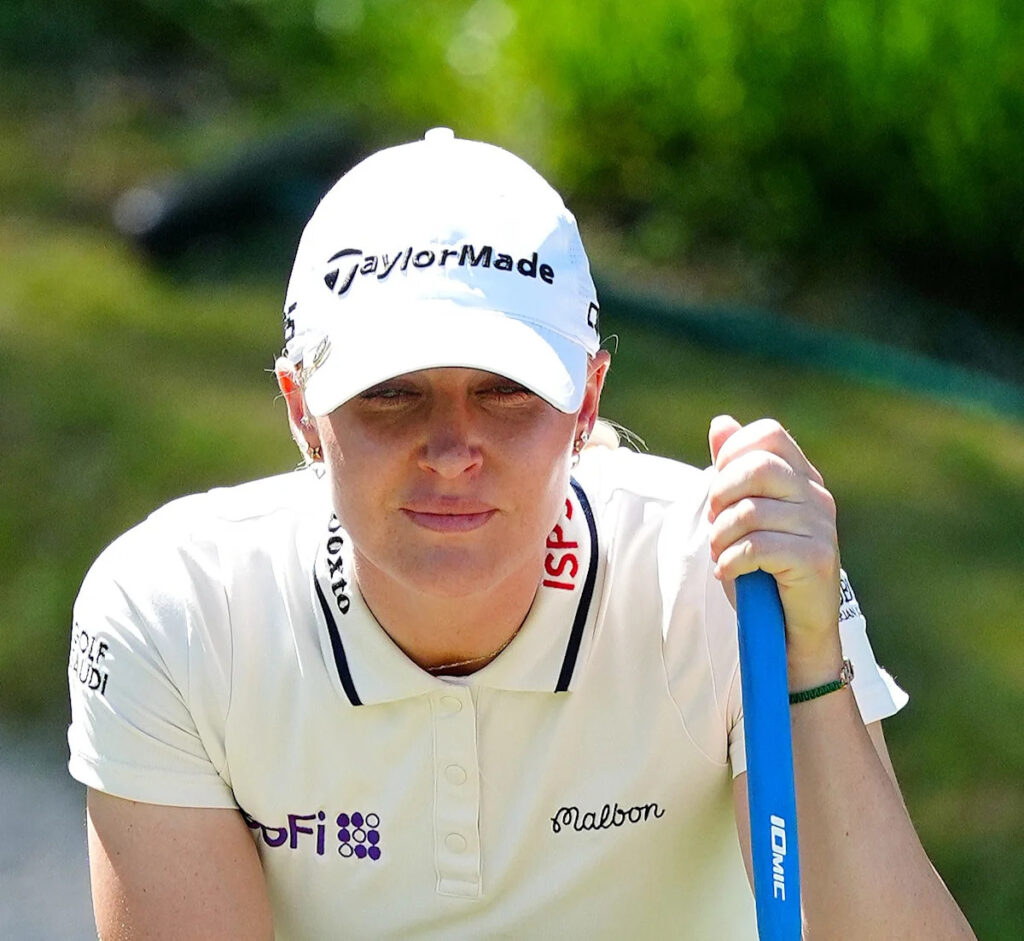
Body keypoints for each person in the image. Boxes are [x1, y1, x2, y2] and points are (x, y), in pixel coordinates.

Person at [68, 128, 975, 939]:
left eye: (506, 391)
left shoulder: (728, 576)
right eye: (391, 393)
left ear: (587, 402)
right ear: (302, 409)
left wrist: (810, 654)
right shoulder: (176, 613)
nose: (454, 450)